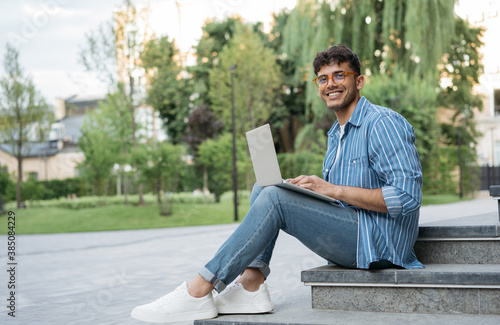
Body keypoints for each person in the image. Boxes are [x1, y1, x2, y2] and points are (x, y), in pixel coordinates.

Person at [131, 44, 423, 323]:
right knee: (266, 188)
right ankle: (251, 285)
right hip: (355, 231)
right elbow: (343, 201)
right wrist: (302, 189)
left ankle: (198, 289)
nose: (330, 84)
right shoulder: (337, 134)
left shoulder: (382, 122)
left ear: (358, 81)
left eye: (339, 75)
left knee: (274, 198)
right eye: (322, 78)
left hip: (380, 244)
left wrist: (330, 189)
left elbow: (406, 198)